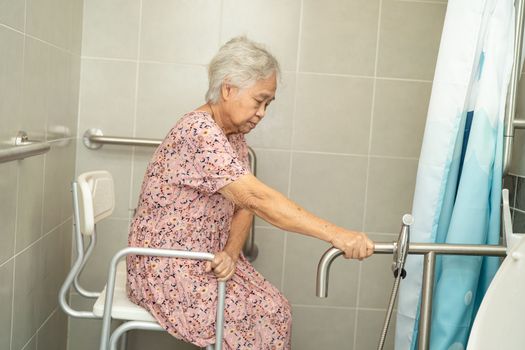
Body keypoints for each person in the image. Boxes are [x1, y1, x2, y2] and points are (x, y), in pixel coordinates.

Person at [127, 36, 374, 350]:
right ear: (228, 89)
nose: (262, 112)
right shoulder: (199, 132)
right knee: (257, 317)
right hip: (166, 265)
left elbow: (244, 206)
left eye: (268, 104)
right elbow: (257, 199)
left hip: (205, 259)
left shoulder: (232, 136)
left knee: (276, 309)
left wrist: (231, 252)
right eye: (259, 100)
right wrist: (337, 235)